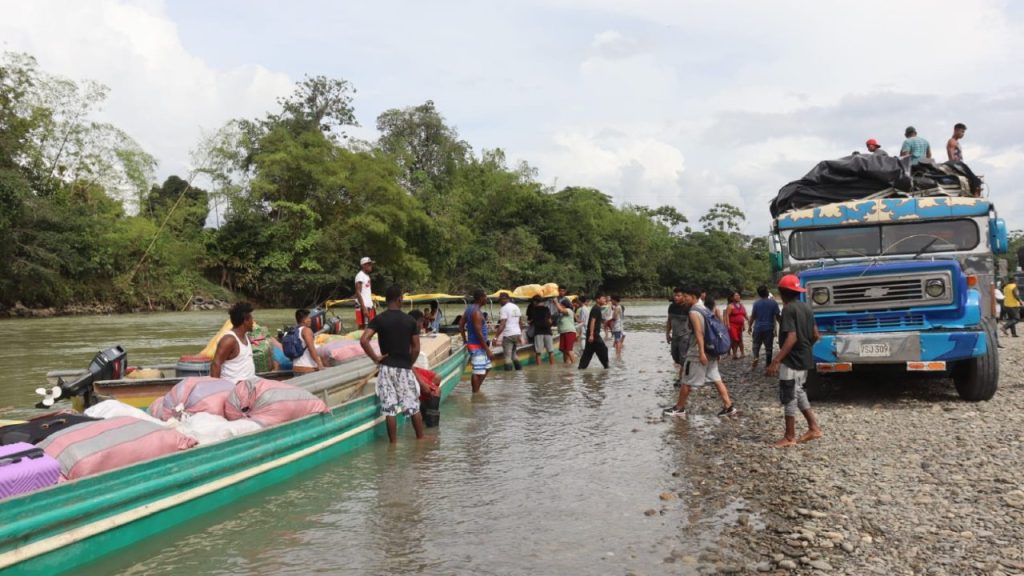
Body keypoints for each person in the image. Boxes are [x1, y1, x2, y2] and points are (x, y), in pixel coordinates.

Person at [360, 285, 426, 444]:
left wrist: (376, 358)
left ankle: (393, 444)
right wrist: (409, 362)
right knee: (412, 406)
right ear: (399, 299)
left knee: (390, 409)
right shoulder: (410, 320)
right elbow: (416, 347)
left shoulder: (380, 319)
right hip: (403, 367)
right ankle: (420, 439)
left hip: (386, 367)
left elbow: (364, 340)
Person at [662, 286, 736, 418]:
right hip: (711, 349)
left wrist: (701, 352)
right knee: (716, 378)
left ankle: (679, 408)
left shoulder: (694, 311)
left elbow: (699, 333)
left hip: (697, 352)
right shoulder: (705, 309)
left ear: (694, 297)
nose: (683, 299)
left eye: (686, 296)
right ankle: (728, 406)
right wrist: (715, 351)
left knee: (686, 380)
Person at [767, 274, 823, 448]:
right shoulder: (807, 308)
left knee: (789, 395)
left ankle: (789, 436)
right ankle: (814, 428)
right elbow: (815, 335)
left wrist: (776, 360)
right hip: (804, 357)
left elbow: (791, 337)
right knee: (798, 391)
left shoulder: (789, 309)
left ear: (782, 292)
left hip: (791, 360)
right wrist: (805, 348)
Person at [212, 302, 257, 382]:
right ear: (245, 321)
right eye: (251, 319)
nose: (253, 322)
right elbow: (216, 364)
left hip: (249, 386)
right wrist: (216, 389)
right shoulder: (229, 340)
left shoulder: (245, 336)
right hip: (233, 389)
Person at [459, 289, 494, 392]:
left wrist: (465, 340)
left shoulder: (469, 309)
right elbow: (478, 333)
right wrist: (487, 349)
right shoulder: (476, 313)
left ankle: (477, 390)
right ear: (481, 298)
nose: (487, 299)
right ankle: (475, 393)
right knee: (477, 371)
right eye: (486, 297)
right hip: (477, 346)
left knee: (487, 368)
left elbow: (461, 324)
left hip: (477, 345)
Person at [749, 285, 781, 372]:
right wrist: (782, 324)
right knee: (769, 347)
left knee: (756, 344)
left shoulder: (756, 303)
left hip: (758, 327)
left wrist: (749, 326)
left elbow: (753, 316)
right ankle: (768, 364)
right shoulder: (773, 303)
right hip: (769, 328)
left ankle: (756, 357)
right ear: (767, 292)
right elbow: (777, 316)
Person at [578, 292, 610, 369]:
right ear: (597, 299)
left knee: (587, 353)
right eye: (603, 298)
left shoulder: (597, 308)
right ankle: (607, 368)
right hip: (594, 335)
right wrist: (592, 334)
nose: (605, 299)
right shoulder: (596, 308)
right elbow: (592, 321)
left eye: (605, 298)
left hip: (592, 334)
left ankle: (581, 369)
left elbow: (596, 320)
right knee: (603, 350)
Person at [665, 287, 690, 384]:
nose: (676, 297)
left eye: (678, 295)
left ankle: (682, 378)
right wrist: (667, 333)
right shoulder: (672, 307)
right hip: (675, 336)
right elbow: (669, 320)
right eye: (675, 295)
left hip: (685, 336)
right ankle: (687, 370)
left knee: (683, 357)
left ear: (684, 296)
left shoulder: (688, 307)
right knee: (675, 356)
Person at [493, 292, 523, 371]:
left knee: (507, 357)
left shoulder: (504, 308)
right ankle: (519, 373)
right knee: (514, 355)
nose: (499, 302)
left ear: (505, 299)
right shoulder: (516, 307)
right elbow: (520, 322)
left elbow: (502, 324)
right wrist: (520, 335)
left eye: (500, 300)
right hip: (517, 333)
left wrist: (495, 337)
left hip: (509, 334)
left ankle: (508, 378)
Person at [291, 309, 326, 374]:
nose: (310, 320)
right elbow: (311, 349)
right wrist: (319, 364)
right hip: (307, 369)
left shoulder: (292, 332)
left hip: (295, 368)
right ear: (304, 320)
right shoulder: (306, 330)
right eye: (308, 318)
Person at [529, 295, 555, 365]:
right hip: (547, 331)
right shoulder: (547, 309)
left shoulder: (533, 310)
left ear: (535, 301)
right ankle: (552, 367)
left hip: (538, 332)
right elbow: (550, 321)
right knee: (550, 351)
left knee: (538, 353)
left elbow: (532, 321)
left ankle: (539, 369)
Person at [555, 287, 577, 364]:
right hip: (564, 332)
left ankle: (574, 363)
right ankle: (567, 363)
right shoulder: (562, 313)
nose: (559, 306)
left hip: (569, 332)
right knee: (562, 349)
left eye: (561, 305)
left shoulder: (568, 310)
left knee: (568, 349)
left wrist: (556, 302)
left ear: (564, 306)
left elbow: (561, 309)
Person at [354, 257, 376, 329]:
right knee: (361, 327)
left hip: (369, 305)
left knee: (372, 326)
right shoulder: (360, 276)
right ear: (363, 265)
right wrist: (363, 308)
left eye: (371, 264)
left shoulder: (367, 276)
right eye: (369, 264)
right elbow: (358, 292)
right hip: (362, 306)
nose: (371, 266)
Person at [726, 291, 747, 359]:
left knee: (740, 339)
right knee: (735, 339)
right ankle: (734, 354)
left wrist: (749, 321)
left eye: (738, 295)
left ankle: (742, 353)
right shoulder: (730, 306)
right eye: (736, 295)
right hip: (733, 325)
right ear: (732, 298)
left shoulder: (742, 305)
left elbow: (745, 315)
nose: (738, 296)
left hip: (740, 325)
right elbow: (726, 316)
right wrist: (728, 325)